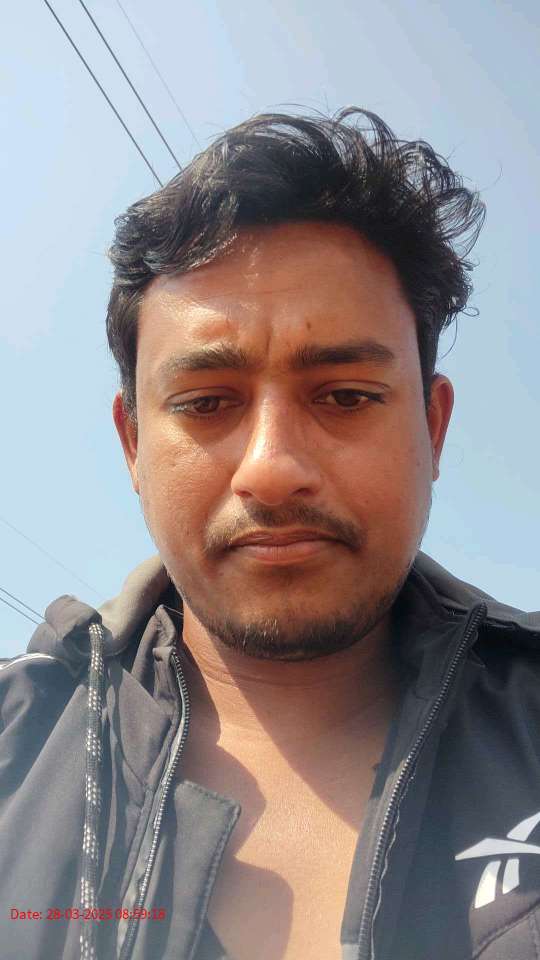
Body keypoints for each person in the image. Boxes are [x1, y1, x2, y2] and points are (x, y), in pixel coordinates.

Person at [1, 107, 538, 960]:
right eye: (207, 403)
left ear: (433, 429)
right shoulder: (14, 748)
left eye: (346, 396)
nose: (273, 468)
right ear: (133, 444)